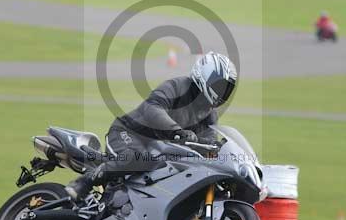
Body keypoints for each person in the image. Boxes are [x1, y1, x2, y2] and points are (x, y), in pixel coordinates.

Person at [65, 51, 238, 200]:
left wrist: (218, 149)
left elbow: (207, 144)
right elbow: (152, 107)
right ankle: (85, 182)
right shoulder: (178, 86)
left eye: (227, 88)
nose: (222, 92)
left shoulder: (209, 114)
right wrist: (176, 131)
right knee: (138, 158)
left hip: (158, 153)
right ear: (205, 76)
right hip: (128, 132)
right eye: (220, 86)